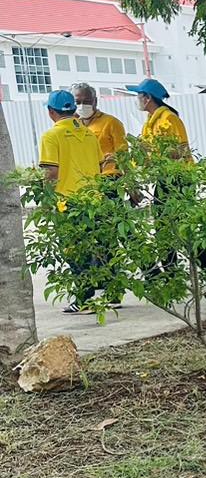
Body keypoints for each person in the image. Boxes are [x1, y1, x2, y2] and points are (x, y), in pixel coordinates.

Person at [125, 77, 206, 276]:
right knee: (170, 228)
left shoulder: (169, 119)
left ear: (148, 98)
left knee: (174, 228)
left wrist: (150, 151)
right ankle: (181, 272)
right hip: (165, 178)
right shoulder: (151, 122)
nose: (137, 99)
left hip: (179, 178)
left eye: (139, 95)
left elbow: (179, 151)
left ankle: (192, 272)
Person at [38, 89, 106, 314]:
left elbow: (51, 173)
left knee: (74, 252)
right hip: (93, 200)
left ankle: (84, 298)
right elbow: (99, 166)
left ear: (51, 112)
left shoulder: (51, 136)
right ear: (73, 109)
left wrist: (46, 202)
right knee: (90, 249)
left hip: (68, 202)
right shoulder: (88, 135)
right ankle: (94, 294)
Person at [72, 83, 126, 179]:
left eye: (87, 101)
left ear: (95, 101)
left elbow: (123, 152)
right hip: (85, 178)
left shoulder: (111, 122)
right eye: (78, 102)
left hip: (109, 176)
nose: (82, 106)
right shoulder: (74, 125)